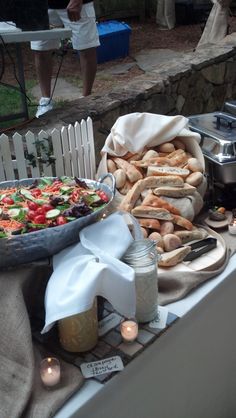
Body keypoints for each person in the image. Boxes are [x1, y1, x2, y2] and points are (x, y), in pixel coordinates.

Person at [31, 0, 100, 118]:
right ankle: (45, 102)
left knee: (86, 49)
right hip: (42, 6)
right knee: (40, 49)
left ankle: (86, 100)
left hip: (77, 5)